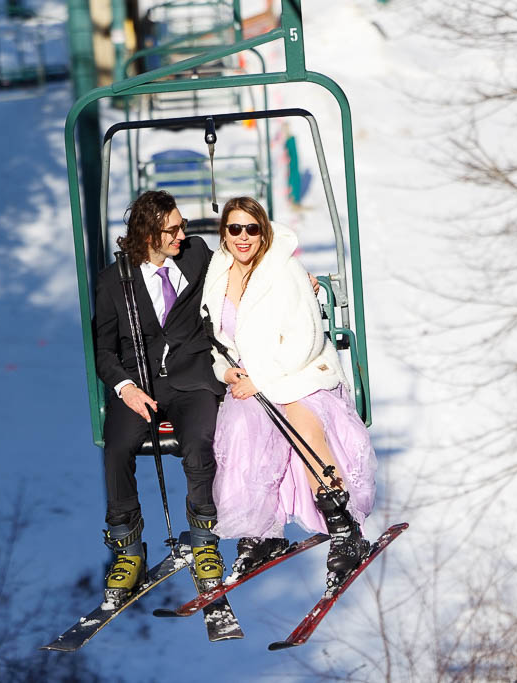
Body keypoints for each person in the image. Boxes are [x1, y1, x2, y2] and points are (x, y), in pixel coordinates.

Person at [200, 196, 378, 587]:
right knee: (243, 432)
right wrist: (226, 373)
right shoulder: (217, 275)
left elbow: (307, 337)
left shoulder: (285, 269)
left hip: (298, 372)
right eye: (235, 229)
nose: (243, 237)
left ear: (263, 232)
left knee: (302, 424)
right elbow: (216, 342)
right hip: (249, 382)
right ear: (224, 234)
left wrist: (260, 377)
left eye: (252, 228)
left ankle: (344, 528)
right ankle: (260, 533)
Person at [92, 190, 225, 602]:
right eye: (174, 228)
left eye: (182, 225)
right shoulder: (115, 281)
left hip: (193, 379)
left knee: (200, 443)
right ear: (150, 233)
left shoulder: (198, 255)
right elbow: (104, 349)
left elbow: (246, 266)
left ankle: (204, 539)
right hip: (140, 385)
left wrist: (300, 279)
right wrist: (125, 387)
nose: (183, 234)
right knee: (117, 448)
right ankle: (127, 547)